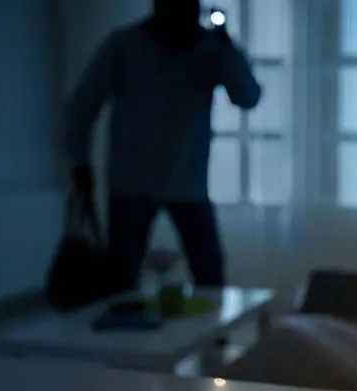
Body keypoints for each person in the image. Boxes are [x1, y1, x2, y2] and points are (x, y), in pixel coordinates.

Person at [64, 0, 261, 288]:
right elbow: (83, 105)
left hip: (176, 181)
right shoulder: (125, 46)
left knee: (207, 276)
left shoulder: (209, 49)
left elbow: (248, 96)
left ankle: (208, 323)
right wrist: (79, 161)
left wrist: (226, 48)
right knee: (124, 279)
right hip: (141, 182)